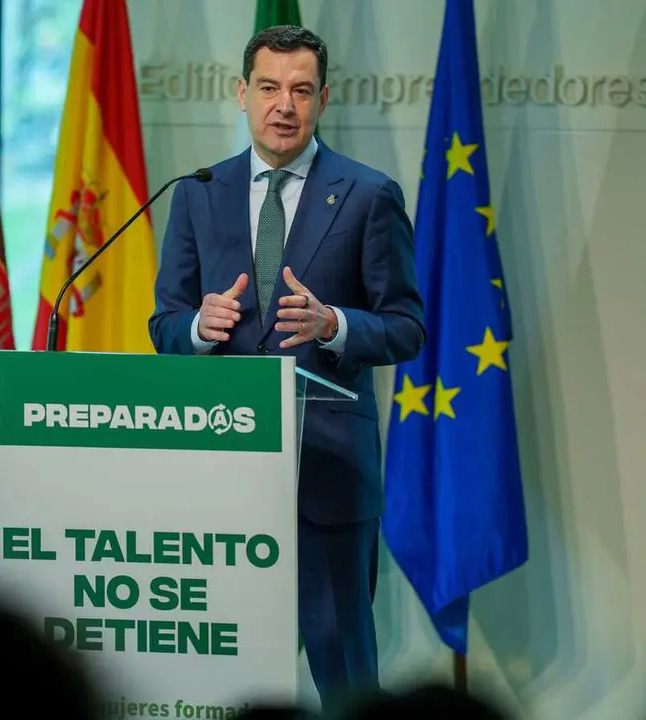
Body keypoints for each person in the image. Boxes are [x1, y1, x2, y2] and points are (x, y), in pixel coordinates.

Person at [148, 25, 425, 702]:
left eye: (301, 91)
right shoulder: (197, 192)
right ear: (241, 93)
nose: (283, 105)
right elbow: (165, 323)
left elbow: (407, 327)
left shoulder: (368, 195)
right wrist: (198, 327)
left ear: (322, 100)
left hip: (328, 471)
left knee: (344, 674)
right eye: (269, 88)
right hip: (223, 470)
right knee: (221, 670)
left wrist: (335, 325)